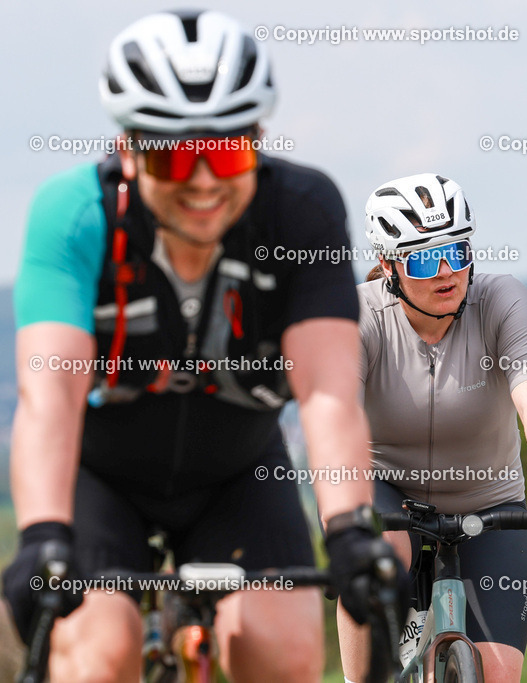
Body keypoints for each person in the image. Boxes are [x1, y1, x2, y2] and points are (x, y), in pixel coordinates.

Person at [2, 10, 398, 681]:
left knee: (283, 650)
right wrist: (42, 532)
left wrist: (350, 530)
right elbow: (50, 397)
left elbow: (329, 393)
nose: (205, 180)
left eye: (228, 150)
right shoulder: (74, 213)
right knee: (97, 656)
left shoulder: (301, 210)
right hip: (102, 476)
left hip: (238, 473)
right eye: (173, 153)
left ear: (261, 139)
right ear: (128, 148)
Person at [339, 173, 527, 682]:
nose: (448, 272)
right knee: (375, 559)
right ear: (389, 266)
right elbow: (337, 415)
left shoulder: (501, 299)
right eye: (426, 259)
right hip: (390, 490)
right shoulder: (361, 314)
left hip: (488, 499)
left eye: (458, 252)